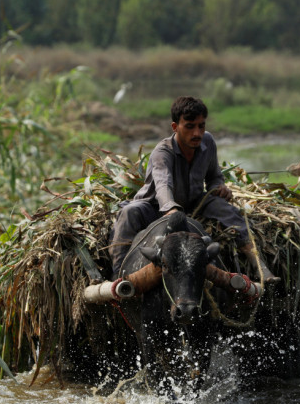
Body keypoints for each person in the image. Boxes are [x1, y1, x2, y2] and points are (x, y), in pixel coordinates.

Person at [110, 96, 278, 283]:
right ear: (175, 127)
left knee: (228, 211)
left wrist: (219, 188)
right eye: (190, 126)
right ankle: (118, 275)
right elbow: (163, 185)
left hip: (194, 203)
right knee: (129, 212)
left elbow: (214, 176)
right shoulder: (162, 153)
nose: (197, 133)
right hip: (156, 208)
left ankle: (258, 265)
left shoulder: (208, 143)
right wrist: (171, 210)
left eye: (201, 126)